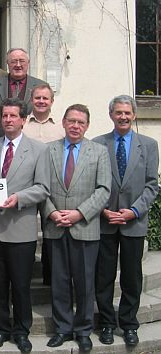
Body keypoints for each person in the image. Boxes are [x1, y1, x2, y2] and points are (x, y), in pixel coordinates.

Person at [42, 104, 111, 353]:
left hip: (85, 226)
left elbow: (104, 190)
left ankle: (83, 330)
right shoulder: (49, 150)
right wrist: (51, 212)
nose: (75, 126)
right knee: (59, 282)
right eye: (71, 121)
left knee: (84, 283)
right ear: (63, 122)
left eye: (81, 122)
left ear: (87, 126)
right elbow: (41, 186)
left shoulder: (99, 152)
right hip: (56, 226)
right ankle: (62, 328)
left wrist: (79, 213)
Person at [0, 98, 50, 353]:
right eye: (5, 116)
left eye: (13, 116)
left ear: (23, 119)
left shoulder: (38, 150)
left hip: (20, 228)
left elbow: (43, 188)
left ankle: (22, 331)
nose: (8, 120)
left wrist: (19, 198)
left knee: (21, 285)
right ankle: (0, 329)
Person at [94, 95, 159, 347]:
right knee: (104, 276)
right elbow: (92, 183)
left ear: (134, 115)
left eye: (127, 113)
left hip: (134, 221)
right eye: (118, 112)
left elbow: (152, 185)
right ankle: (107, 323)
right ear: (111, 115)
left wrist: (134, 210)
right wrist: (102, 210)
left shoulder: (149, 145)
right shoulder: (98, 144)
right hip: (106, 221)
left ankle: (129, 324)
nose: (123, 116)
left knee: (132, 277)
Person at [22, 83, 65, 286]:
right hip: (27, 187)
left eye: (45, 98)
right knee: (26, 229)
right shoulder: (23, 125)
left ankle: (49, 277)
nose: (41, 101)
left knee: (51, 231)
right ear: (32, 100)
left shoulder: (60, 127)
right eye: (37, 98)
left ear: (51, 101)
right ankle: (25, 272)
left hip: (53, 187)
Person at [0, 48, 46, 141]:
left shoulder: (41, 86)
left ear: (28, 63)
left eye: (22, 61)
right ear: (7, 63)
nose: (18, 65)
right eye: (13, 61)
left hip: (31, 142)